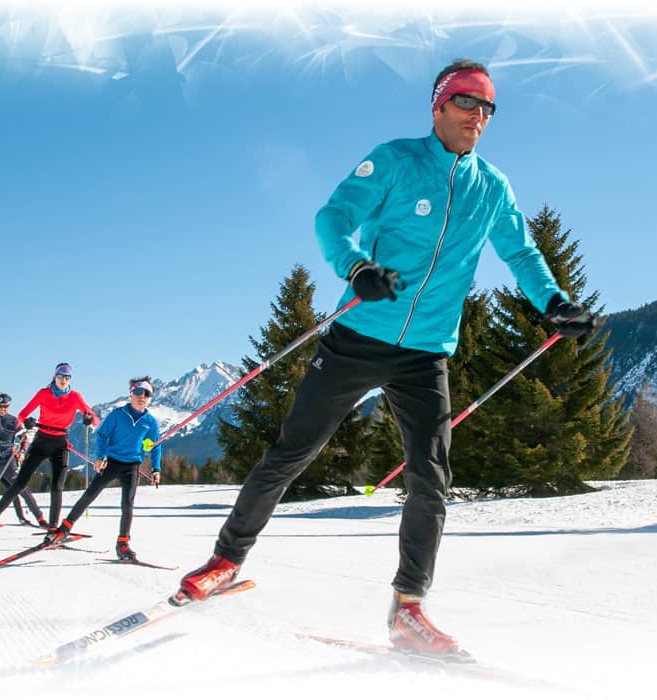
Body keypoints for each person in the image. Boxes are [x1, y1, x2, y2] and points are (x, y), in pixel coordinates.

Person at [173, 59, 597, 655]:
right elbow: (334, 216)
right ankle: (224, 559)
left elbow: (521, 254)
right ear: (439, 106)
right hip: (358, 335)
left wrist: (554, 301)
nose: (479, 116)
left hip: (425, 355)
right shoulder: (397, 160)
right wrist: (356, 267)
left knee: (431, 479)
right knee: (291, 453)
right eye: (467, 103)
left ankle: (409, 609)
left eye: (488, 108)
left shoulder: (492, 187)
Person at [45, 377, 161, 560]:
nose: (142, 397)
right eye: (139, 392)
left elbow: (155, 445)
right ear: (131, 394)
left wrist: (156, 468)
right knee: (90, 495)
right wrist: (101, 456)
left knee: (127, 505)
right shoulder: (117, 414)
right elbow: (102, 435)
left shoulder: (151, 422)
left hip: (132, 465)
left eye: (147, 394)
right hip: (112, 462)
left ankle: (123, 543)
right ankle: (64, 529)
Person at [0, 363, 99, 534]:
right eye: (61, 376)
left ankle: (53, 527)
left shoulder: (75, 397)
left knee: (57, 486)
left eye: (67, 377)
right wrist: (27, 422)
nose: (64, 380)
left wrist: (88, 418)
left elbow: (95, 420)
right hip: (41, 440)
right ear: (55, 377)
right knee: (20, 482)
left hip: (60, 442)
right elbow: (22, 415)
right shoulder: (44, 393)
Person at [0, 393, 48, 534]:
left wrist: (22, 452)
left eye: (5, 407)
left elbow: (24, 437)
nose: (2, 409)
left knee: (23, 489)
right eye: (0, 406)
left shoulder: (13, 421)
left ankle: (41, 519)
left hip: (8, 462)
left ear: (9, 406)